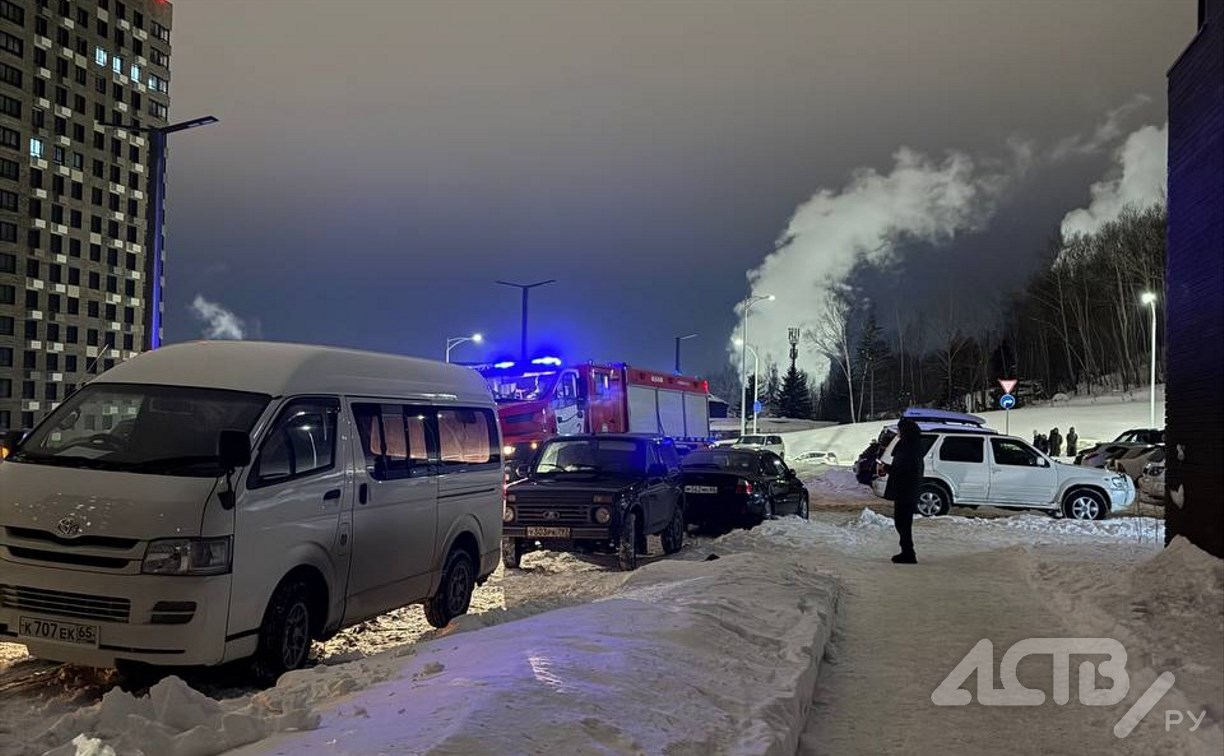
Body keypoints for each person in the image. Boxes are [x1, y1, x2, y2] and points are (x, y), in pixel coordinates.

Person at [882, 418, 923, 564]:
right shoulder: (911, 445)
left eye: (899, 430)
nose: (898, 433)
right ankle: (906, 551)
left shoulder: (909, 447)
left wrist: (887, 468)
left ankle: (908, 552)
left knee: (903, 522)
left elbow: (904, 469)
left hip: (906, 490)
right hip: (906, 489)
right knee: (902, 522)